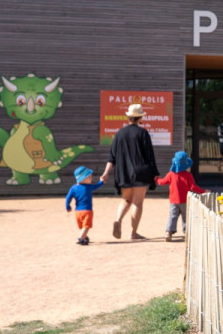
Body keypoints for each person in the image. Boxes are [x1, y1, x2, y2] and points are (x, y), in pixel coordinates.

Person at [100, 103, 159, 241]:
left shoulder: (119, 134)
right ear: (140, 118)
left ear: (128, 117)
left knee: (126, 200)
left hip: (123, 172)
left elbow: (112, 157)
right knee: (137, 203)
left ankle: (118, 220)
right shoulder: (143, 133)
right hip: (140, 171)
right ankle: (133, 233)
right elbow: (150, 156)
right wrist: (155, 172)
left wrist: (106, 172)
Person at [155, 151, 204, 242]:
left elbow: (162, 182)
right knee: (186, 217)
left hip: (173, 201)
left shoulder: (171, 174)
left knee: (172, 216)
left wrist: (157, 179)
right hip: (185, 201)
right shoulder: (188, 175)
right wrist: (203, 192)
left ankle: (168, 232)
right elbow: (193, 187)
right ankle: (187, 233)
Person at [65, 165, 103, 246]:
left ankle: (84, 237)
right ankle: (80, 239)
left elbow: (68, 197)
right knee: (86, 226)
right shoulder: (88, 187)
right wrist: (102, 181)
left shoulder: (73, 188)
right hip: (87, 211)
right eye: (90, 177)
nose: (91, 178)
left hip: (77, 212)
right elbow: (97, 186)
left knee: (82, 226)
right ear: (85, 178)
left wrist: (67, 206)